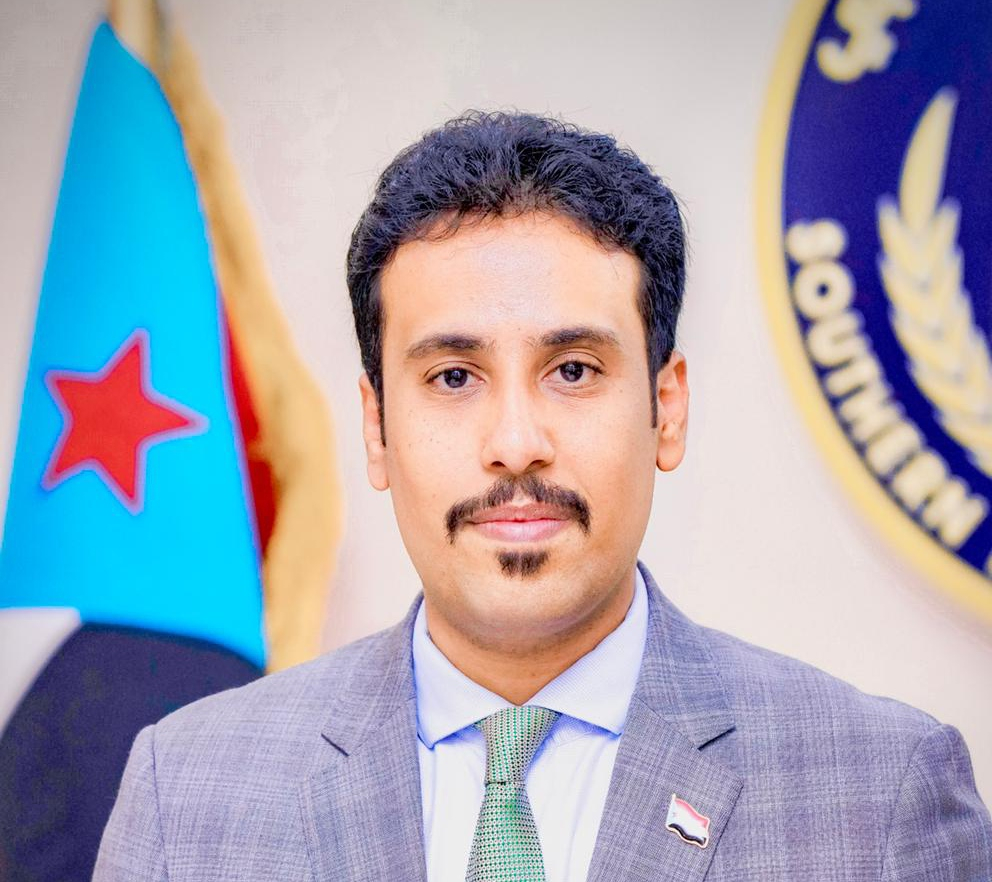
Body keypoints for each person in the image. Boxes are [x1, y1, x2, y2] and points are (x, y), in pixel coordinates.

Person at [94, 112, 991, 880]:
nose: (516, 442)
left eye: (573, 370)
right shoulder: (190, 793)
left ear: (667, 407)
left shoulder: (880, 795)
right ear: (376, 427)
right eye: (453, 377)